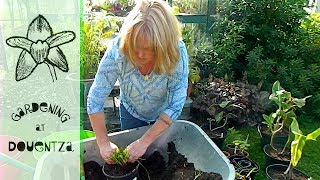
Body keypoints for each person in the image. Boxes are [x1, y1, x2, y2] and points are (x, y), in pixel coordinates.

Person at [87, 0, 188, 164]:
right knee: (132, 159)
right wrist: (103, 143)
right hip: (130, 112)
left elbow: (176, 104)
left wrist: (145, 141)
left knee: (160, 159)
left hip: (163, 115)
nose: (140, 55)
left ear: (164, 45)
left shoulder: (176, 53)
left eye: (149, 48)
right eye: (136, 46)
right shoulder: (118, 51)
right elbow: (95, 98)